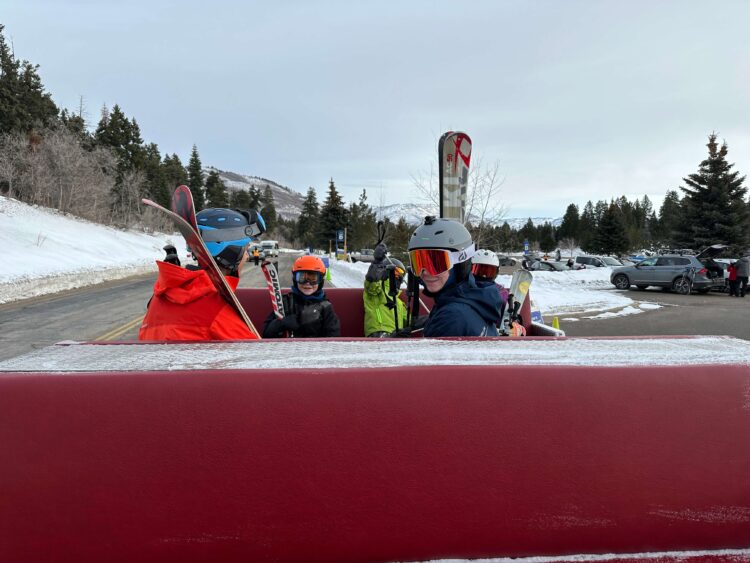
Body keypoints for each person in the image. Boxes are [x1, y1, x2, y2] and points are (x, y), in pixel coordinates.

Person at [139, 207, 266, 341]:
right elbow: (251, 357)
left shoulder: (160, 297)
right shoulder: (218, 315)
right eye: (246, 250)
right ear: (231, 253)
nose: (247, 257)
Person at [407, 216, 502, 337]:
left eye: (436, 263)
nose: (425, 272)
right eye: (419, 263)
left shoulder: (452, 317)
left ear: (460, 262)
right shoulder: (477, 298)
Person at [263, 255, 341, 338]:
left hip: (316, 349)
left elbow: (333, 337)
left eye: (313, 278)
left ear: (320, 281)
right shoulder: (284, 303)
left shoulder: (325, 307)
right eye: (302, 277)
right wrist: (281, 324)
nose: (307, 283)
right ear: (295, 279)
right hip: (287, 349)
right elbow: (265, 334)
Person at [363, 244, 408, 337]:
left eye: (401, 273)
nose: (398, 276)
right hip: (378, 333)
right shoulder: (376, 291)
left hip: (395, 337)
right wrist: (377, 264)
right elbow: (371, 281)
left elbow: (409, 319)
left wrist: (427, 319)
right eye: (395, 271)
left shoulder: (399, 302)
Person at [471, 249, 508, 322]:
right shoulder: (465, 289)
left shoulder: (501, 292)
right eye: (479, 270)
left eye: (489, 272)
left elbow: (507, 314)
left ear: (496, 272)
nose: (484, 275)